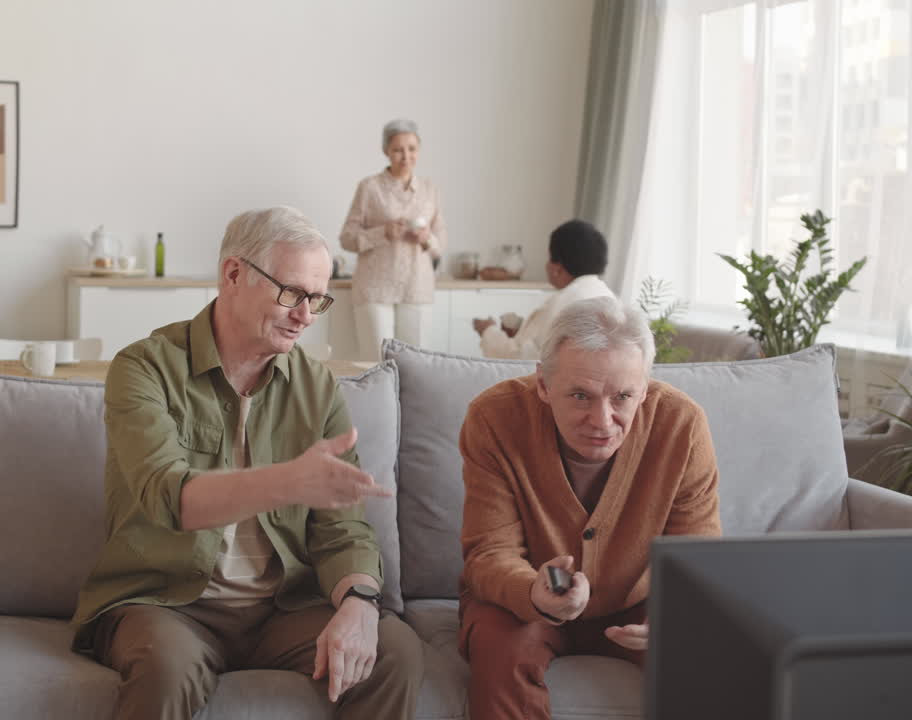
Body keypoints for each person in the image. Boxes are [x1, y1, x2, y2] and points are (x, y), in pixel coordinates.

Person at [71, 206, 424, 720]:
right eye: (292, 293)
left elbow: (342, 530)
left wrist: (359, 604)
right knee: (166, 670)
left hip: (283, 609)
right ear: (233, 274)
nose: (305, 314)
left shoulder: (316, 387)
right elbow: (171, 497)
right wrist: (287, 482)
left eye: (316, 299)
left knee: (396, 653)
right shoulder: (145, 367)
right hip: (168, 603)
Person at [457, 296, 721, 720]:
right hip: (523, 595)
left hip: (639, 601)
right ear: (543, 384)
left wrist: (675, 613)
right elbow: (489, 553)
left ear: (645, 387)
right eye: (581, 396)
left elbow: (698, 555)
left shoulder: (682, 425)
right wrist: (533, 593)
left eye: (622, 397)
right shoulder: (494, 418)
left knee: (700, 650)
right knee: (498, 647)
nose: (602, 420)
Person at [341, 118, 444, 360]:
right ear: (386, 151)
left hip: (417, 287)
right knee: (375, 364)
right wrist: (382, 233)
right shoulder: (369, 187)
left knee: (416, 364)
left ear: (419, 150)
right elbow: (347, 238)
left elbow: (440, 243)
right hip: (375, 288)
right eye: (398, 149)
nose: (406, 156)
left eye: (412, 149)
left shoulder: (430, 190)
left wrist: (427, 238)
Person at [473, 219, 615, 360]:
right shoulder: (607, 296)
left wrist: (487, 330)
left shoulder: (563, 304)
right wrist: (521, 331)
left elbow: (519, 358)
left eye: (548, 258)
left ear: (557, 268)